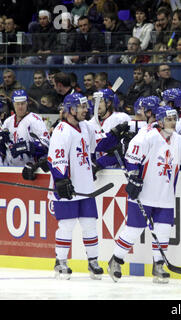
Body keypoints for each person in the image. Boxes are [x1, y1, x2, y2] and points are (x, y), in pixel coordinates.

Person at [108, 106, 181, 283]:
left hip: (165, 196)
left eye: (174, 119)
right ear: (159, 121)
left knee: (163, 231)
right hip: (143, 194)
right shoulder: (146, 136)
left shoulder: (179, 141)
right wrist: (134, 178)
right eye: (168, 119)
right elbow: (131, 160)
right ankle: (116, 260)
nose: (172, 123)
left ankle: (158, 265)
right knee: (134, 230)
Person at [47, 92, 103, 280]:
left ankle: (93, 261)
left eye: (86, 106)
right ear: (71, 109)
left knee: (90, 225)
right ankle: (60, 261)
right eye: (81, 107)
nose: (85, 109)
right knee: (67, 225)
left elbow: (97, 146)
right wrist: (61, 180)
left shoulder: (86, 127)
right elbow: (55, 159)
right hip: (69, 188)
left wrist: (114, 136)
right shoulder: (61, 131)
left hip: (86, 188)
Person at [1, 90, 49, 171]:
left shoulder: (35, 120)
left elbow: (46, 145)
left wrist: (27, 147)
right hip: (9, 169)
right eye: (17, 104)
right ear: (13, 104)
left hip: (29, 169)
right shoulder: (7, 122)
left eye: (22, 103)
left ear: (27, 103)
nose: (20, 107)